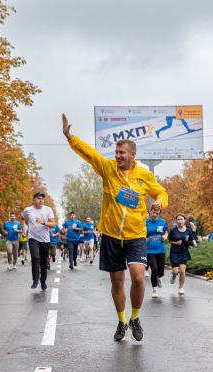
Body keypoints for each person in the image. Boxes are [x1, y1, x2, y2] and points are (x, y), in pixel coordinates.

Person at [62, 113, 168, 342]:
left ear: (132, 154)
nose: (118, 156)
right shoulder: (108, 168)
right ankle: (121, 321)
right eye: (116, 153)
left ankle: (135, 317)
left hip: (136, 235)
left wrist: (160, 201)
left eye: (122, 153)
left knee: (139, 278)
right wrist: (71, 138)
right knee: (117, 282)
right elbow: (90, 155)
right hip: (110, 234)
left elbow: (160, 191)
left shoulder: (144, 176)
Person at [21, 192, 55, 290]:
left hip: (45, 240)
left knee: (44, 262)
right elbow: (22, 218)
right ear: (33, 200)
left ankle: (43, 281)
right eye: (38, 198)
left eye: (42, 199)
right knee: (35, 258)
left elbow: (53, 225)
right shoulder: (28, 210)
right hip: (33, 239)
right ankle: (35, 280)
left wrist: (43, 222)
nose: (41, 200)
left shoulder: (48, 209)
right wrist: (23, 230)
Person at [169, 213, 197, 295]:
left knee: (182, 271)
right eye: (178, 219)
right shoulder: (173, 231)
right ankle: (174, 275)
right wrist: (176, 243)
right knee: (176, 271)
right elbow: (170, 240)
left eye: (181, 219)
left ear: (184, 220)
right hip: (174, 252)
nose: (180, 221)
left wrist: (194, 243)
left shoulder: (188, 231)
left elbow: (192, 238)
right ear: (176, 220)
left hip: (184, 252)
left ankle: (180, 287)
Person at [146, 208, 169, 298]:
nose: (155, 215)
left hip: (160, 249)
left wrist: (165, 236)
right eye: (153, 212)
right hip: (149, 249)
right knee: (154, 268)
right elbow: (141, 233)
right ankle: (155, 290)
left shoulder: (162, 222)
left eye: (157, 213)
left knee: (161, 271)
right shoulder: (145, 222)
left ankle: (159, 277)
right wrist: (144, 238)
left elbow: (166, 232)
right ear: (150, 211)